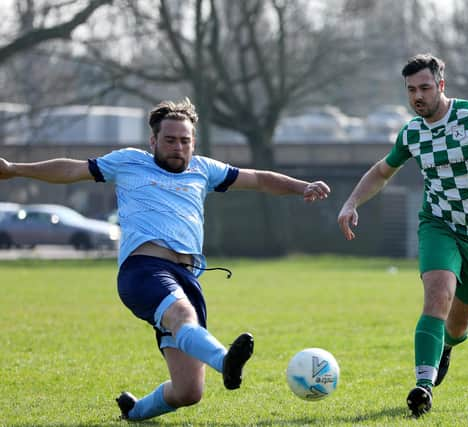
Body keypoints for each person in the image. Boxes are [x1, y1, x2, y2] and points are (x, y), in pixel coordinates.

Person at [0, 98, 331, 421]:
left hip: (187, 278)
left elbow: (259, 179)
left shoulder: (205, 169)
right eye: (170, 140)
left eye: (185, 140)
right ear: (153, 140)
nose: (178, 147)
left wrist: (302, 186)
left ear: (193, 142)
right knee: (182, 314)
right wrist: (15, 169)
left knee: (189, 391)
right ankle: (225, 360)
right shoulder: (129, 162)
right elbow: (72, 170)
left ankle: (136, 411)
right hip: (143, 270)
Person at [337, 54, 468, 417]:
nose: (418, 96)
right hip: (439, 224)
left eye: (425, 88)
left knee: (458, 327)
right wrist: (352, 202)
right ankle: (423, 386)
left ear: (441, 86)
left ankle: (446, 347)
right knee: (438, 293)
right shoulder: (411, 133)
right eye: (411, 90)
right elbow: (382, 171)